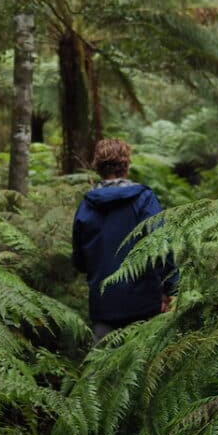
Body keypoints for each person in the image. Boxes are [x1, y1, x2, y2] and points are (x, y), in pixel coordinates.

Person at [72, 138, 179, 342]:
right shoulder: (144, 199)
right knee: (143, 367)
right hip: (145, 303)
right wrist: (171, 289)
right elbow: (161, 247)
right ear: (126, 165)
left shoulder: (86, 206)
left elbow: (79, 261)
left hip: (104, 305)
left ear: (98, 167)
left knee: (103, 368)